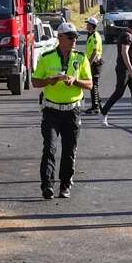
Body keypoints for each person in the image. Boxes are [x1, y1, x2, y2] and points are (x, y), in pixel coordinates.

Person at [32, 22, 93, 199]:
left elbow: (89, 84)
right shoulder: (46, 57)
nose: (74, 40)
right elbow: (36, 81)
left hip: (72, 111)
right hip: (51, 111)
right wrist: (49, 81)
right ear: (60, 38)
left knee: (69, 150)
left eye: (75, 37)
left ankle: (65, 185)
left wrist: (75, 81)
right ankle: (47, 186)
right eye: (70, 37)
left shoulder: (81, 58)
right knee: (49, 148)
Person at [100, 22, 132, 128]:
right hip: (125, 69)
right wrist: (130, 69)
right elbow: (124, 52)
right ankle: (103, 113)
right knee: (119, 93)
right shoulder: (126, 36)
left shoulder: (130, 35)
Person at [84, 16, 104, 113]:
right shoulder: (91, 35)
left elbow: (95, 51)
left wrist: (89, 63)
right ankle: (98, 104)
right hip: (92, 62)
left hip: (95, 63)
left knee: (94, 85)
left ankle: (95, 107)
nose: (86, 25)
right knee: (93, 85)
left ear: (92, 26)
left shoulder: (95, 36)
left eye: (88, 24)